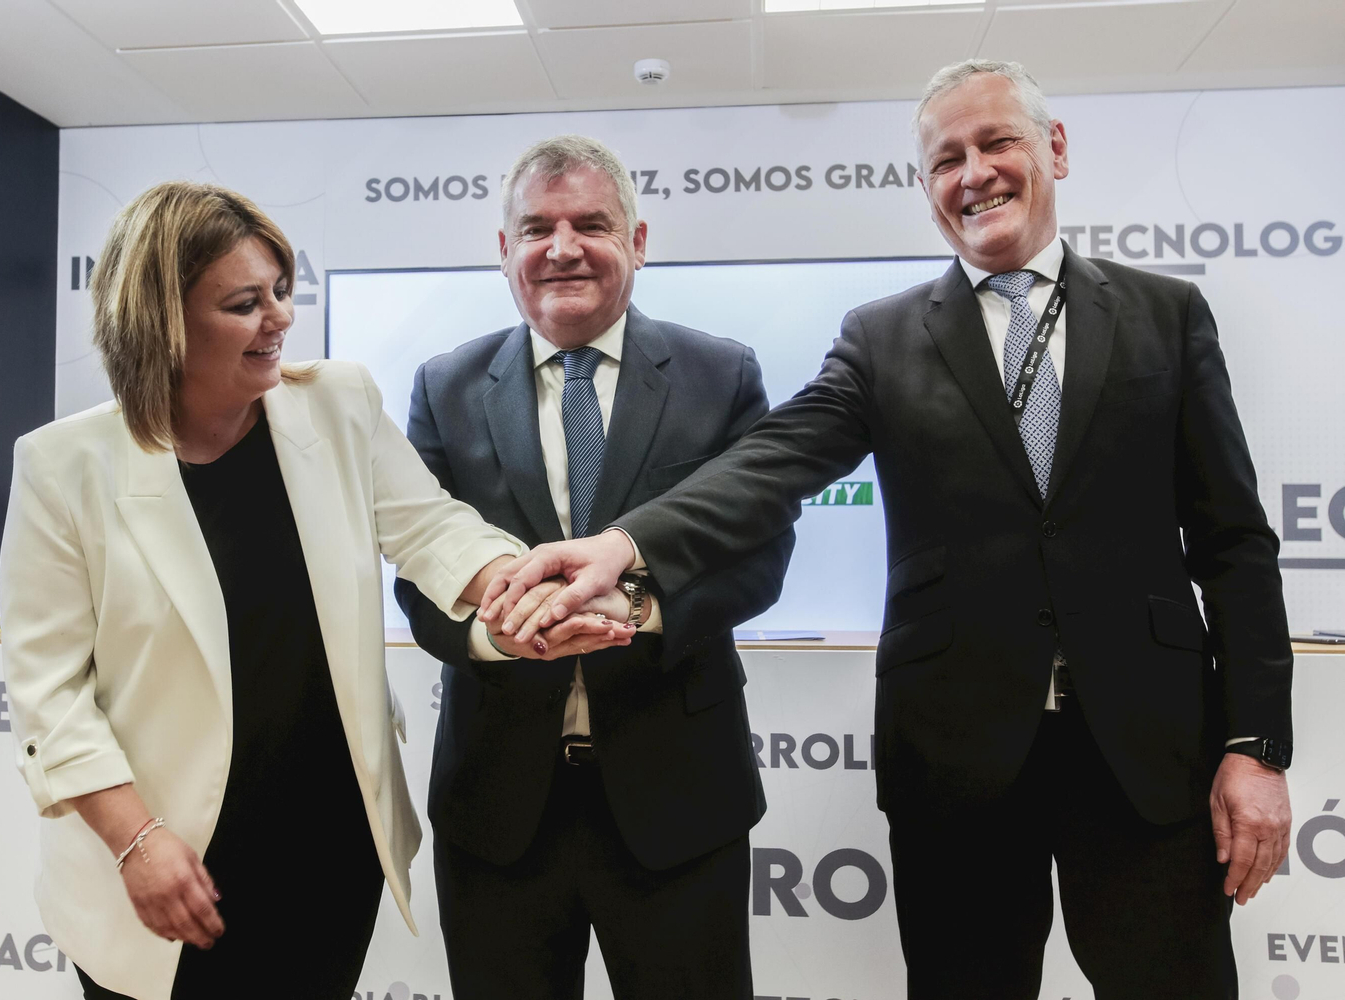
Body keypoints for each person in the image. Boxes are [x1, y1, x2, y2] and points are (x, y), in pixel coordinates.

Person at [482, 63, 1294, 999]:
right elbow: (769, 463)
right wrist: (626, 546)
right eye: (946, 158)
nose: (973, 173)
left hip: (1153, 757)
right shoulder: (882, 338)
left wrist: (1257, 746)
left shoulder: (1166, 313)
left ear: (1055, 149)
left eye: (997, 143)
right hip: (959, 767)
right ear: (926, 185)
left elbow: (1235, 544)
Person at [0, 181, 554, 1000]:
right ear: (162, 320)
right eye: (245, 303)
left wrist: (519, 584)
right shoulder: (63, 466)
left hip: (328, 845)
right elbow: (49, 692)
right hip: (162, 862)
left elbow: (432, 530)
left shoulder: (338, 404)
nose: (281, 318)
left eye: (283, 292)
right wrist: (136, 841)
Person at [396, 135, 794, 999]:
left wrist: (637, 610)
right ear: (505, 251)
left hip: (681, 802)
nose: (562, 247)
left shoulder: (718, 374)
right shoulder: (445, 385)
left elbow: (759, 555)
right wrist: (499, 638)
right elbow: (418, 573)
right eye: (536, 227)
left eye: (591, 224)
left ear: (638, 241)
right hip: (499, 809)